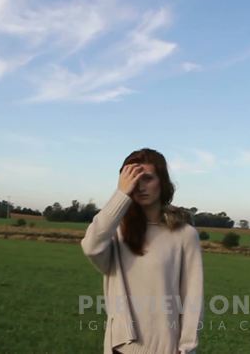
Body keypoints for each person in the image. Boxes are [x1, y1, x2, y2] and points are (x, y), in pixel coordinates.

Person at [80, 148, 204, 354]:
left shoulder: (184, 234)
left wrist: (188, 347)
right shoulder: (116, 231)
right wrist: (121, 195)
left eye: (147, 178)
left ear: (162, 182)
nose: (140, 186)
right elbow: (91, 246)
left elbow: (193, 297)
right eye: (133, 179)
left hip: (165, 349)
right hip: (121, 347)